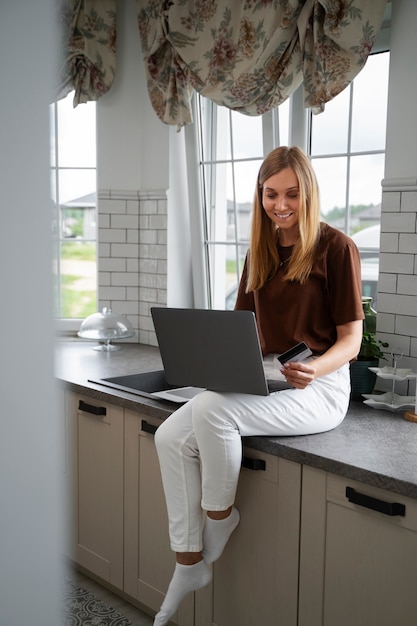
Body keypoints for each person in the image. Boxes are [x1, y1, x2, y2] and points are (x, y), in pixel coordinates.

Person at [152, 146, 364, 626]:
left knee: (212, 412)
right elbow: (241, 332)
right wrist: (215, 363)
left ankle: (220, 518)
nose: (281, 204)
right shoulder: (261, 251)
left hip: (320, 386)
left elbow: (351, 341)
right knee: (168, 436)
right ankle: (188, 562)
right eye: (271, 194)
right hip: (267, 376)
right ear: (260, 195)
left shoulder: (336, 247)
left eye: (292, 193)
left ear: (307, 193)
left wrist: (317, 369)